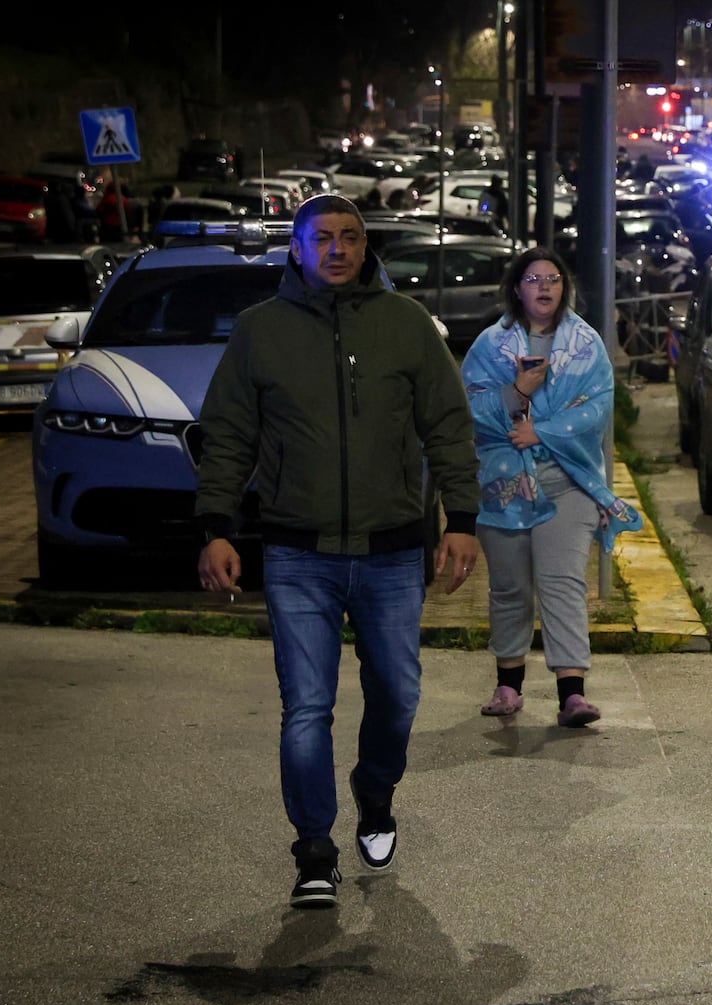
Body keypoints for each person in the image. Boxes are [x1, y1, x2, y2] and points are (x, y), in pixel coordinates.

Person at [194, 194, 483, 909]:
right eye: (322, 237)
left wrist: (463, 517)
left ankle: (375, 790)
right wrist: (217, 526)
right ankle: (314, 848)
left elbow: (448, 425)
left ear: (365, 247)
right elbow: (227, 433)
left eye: (350, 236)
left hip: (391, 551)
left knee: (398, 695)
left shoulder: (407, 324)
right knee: (306, 707)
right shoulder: (260, 332)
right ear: (295, 248)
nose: (338, 249)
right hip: (298, 552)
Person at [463, 247, 643, 728]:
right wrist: (517, 392)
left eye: (554, 279)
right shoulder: (488, 346)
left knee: (563, 583)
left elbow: (597, 408)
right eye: (533, 278)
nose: (544, 287)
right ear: (516, 288)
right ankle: (508, 686)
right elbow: (472, 410)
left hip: (568, 482)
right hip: (504, 487)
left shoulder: (586, 344)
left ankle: (572, 694)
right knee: (509, 588)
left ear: (564, 288)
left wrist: (541, 431)